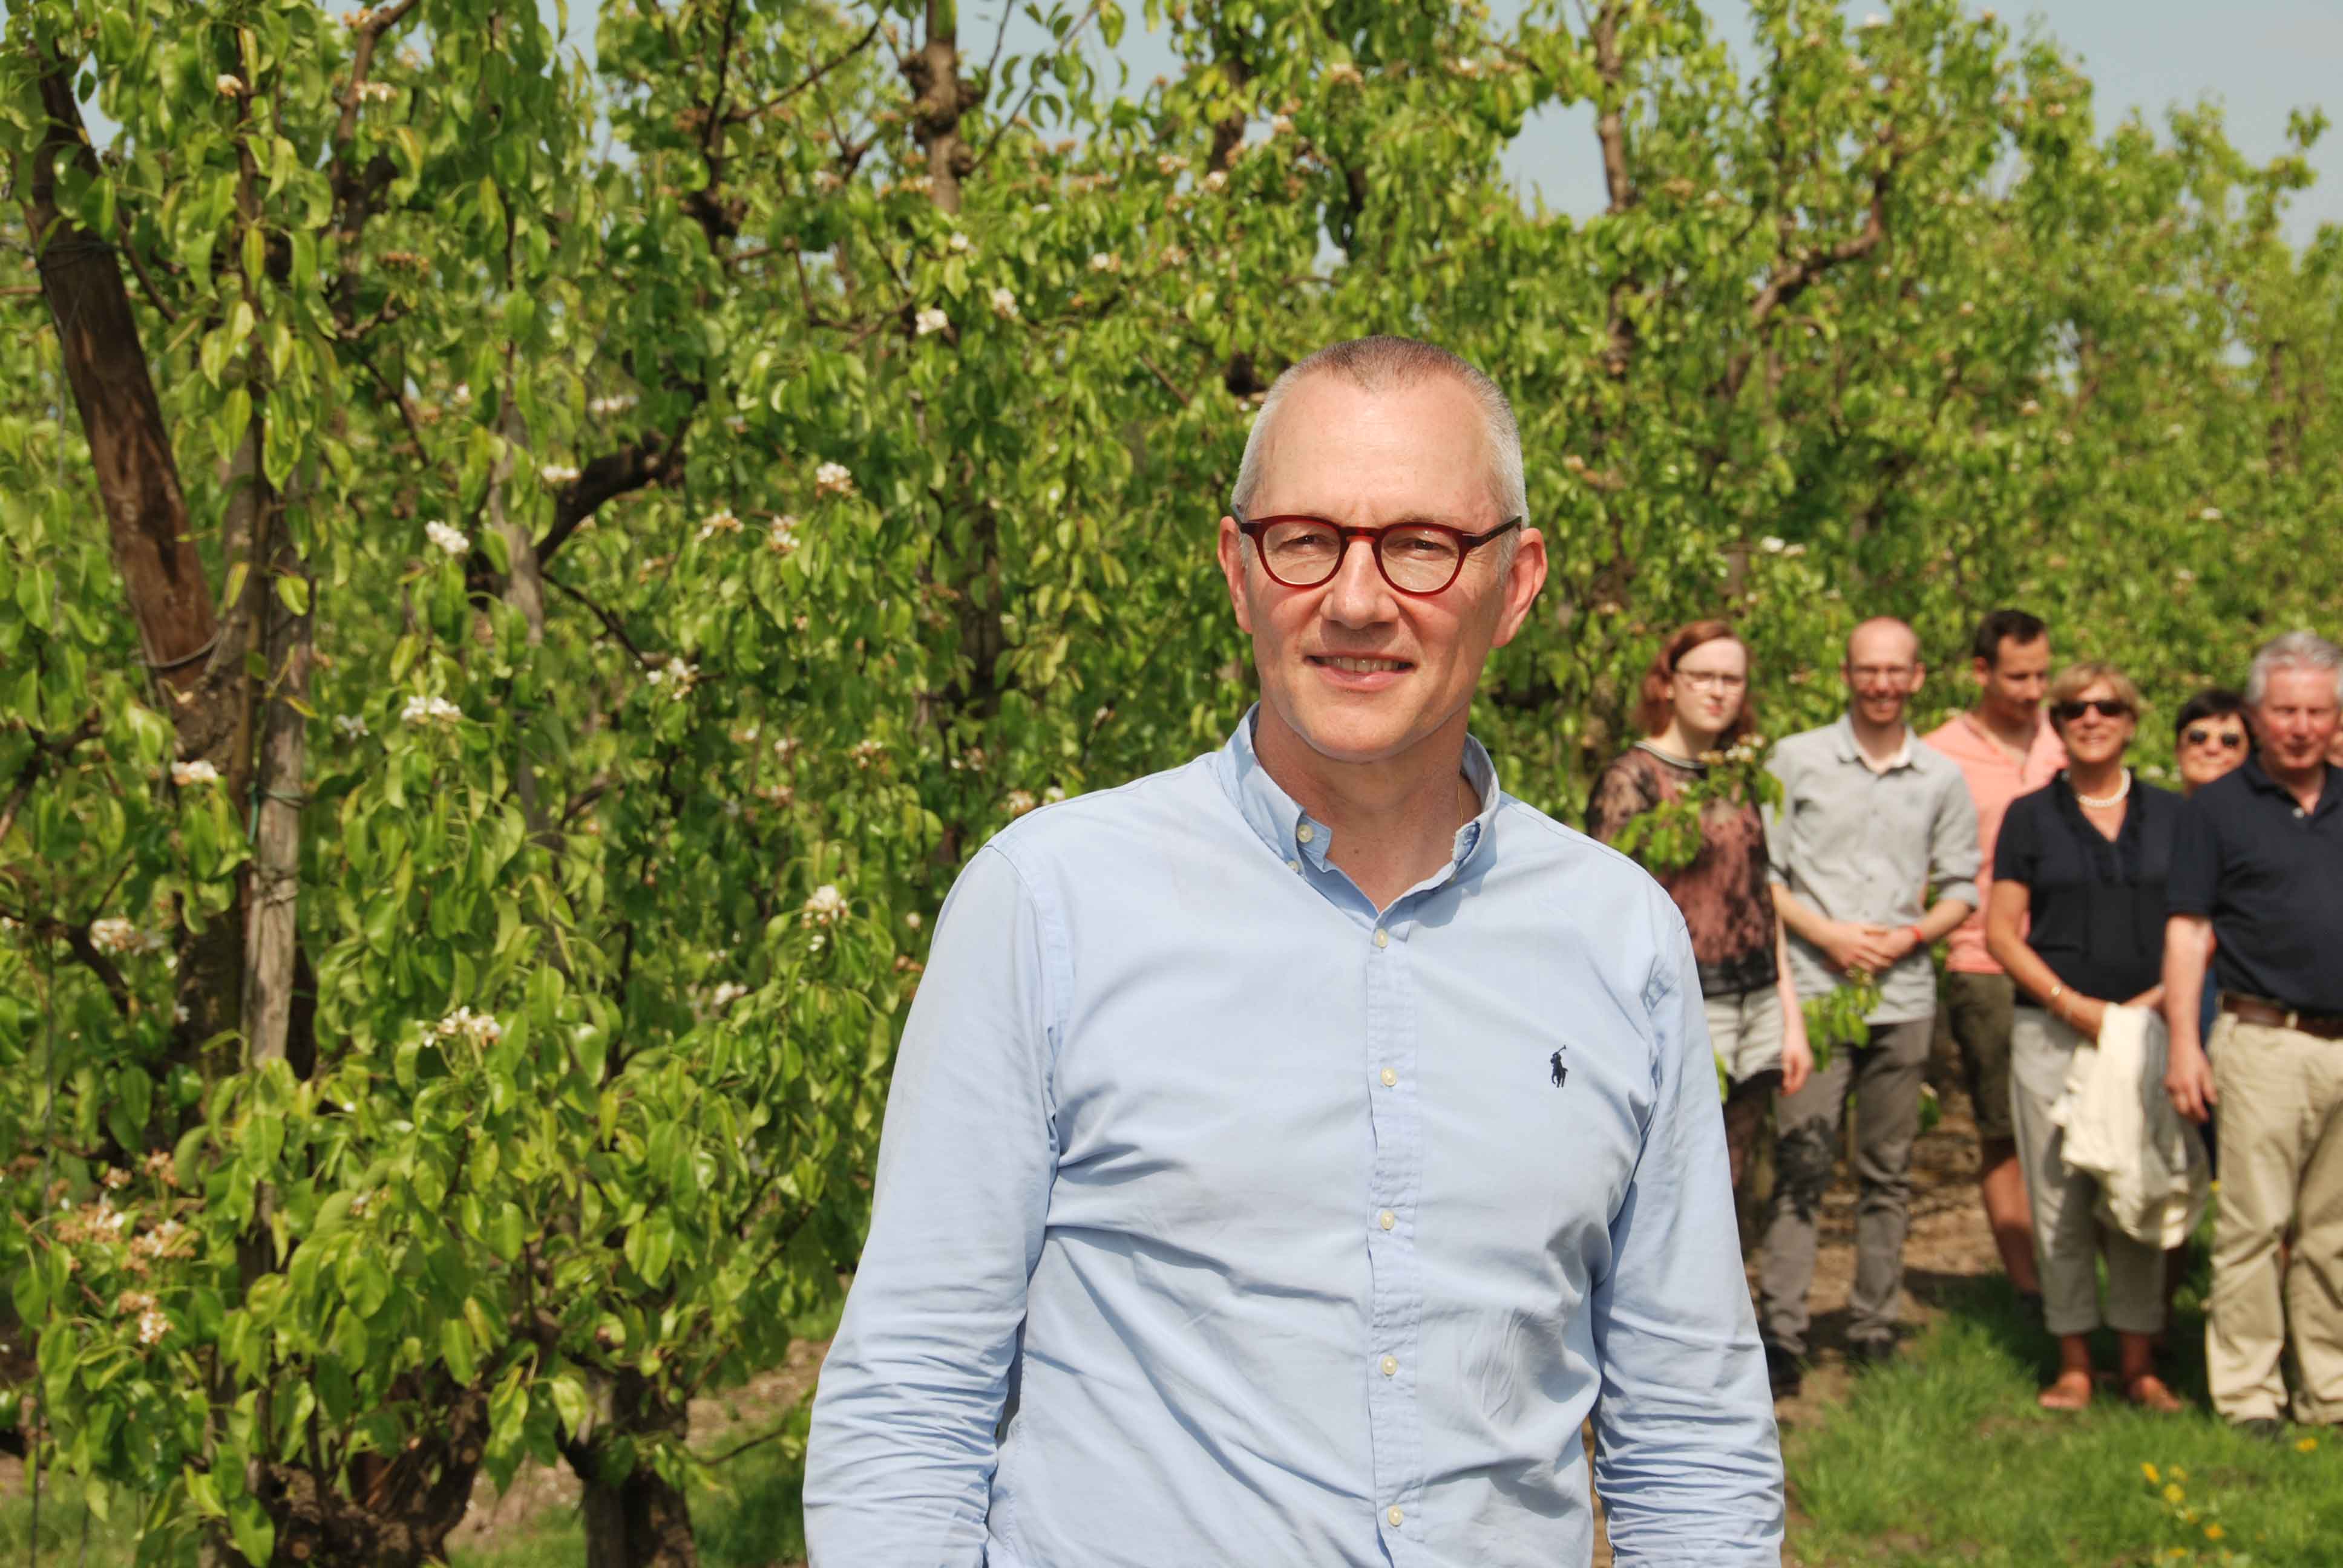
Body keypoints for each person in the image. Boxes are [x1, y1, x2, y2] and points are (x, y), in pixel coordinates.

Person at [804, 336, 1784, 1564]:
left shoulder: (1618, 934)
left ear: (1518, 580)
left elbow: (1688, 1428)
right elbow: (912, 1395)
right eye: (1304, 538)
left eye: (1420, 544)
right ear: (1236, 568)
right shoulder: (1050, 903)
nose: (1358, 600)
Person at [1758, 618, 1981, 1396]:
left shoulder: (1941, 778)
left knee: (1888, 1172)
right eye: (1867, 670)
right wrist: (1828, 936)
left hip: (1904, 994)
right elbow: (1769, 873)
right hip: (1816, 997)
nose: (1881, 683)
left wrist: (1910, 937)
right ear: (1847, 675)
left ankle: (1871, 1324)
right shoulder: (1797, 761)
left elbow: (1961, 888)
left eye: (1896, 671)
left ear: (1918, 677)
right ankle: (1780, 1331)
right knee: (1802, 1165)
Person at [1985, 662, 2184, 1413]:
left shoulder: (2174, 818)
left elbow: (2198, 926)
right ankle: (2072, 1361)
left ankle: (2139, 1365)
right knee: (2057, 1196)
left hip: (2147, 1029)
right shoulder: (2029, 817)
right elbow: (2002, 934)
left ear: (2131, 720)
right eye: (2072, 709)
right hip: (2050, 1029)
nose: (2089, 718)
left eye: (2106, 707)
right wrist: (2073, 1006)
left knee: (2135, 1186)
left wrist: (2147, 1006)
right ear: (2055, 724)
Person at [2164, 630, 2343, 1437]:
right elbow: (2188, 932)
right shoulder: (2218, 809)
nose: (2302, 726)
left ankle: (2329, 1393)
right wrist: (2183, 1044)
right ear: (2257, 714)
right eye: (2286, 711)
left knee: (2332, 1238)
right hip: (2263, 1038)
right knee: (2251, 1229)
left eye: (2318, 710)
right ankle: (2248, 1396)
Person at [1588, 622, 1813, 1192]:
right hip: (1686, 1004)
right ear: (1669, 684)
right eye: (1703, 677)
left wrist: (1791, 1014)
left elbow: (1761, 896)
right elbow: (1610, 915)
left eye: (1731, 679)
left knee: (1735, 1177)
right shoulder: (1632, 779)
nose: (1718, 691)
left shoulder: (1740, 776)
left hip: (1758, 997)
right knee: (1683, 1178)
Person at [1921, 610, 2064, 1306]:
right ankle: (2028, 1286)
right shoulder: (1939, 754)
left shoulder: (2070, 737)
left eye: (2042, 674)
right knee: (2001, 1125)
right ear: (1981, 673)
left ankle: (2075, 1271)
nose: (2034, 690)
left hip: (2073, 962)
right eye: (2018, 676)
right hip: (1984, 963)